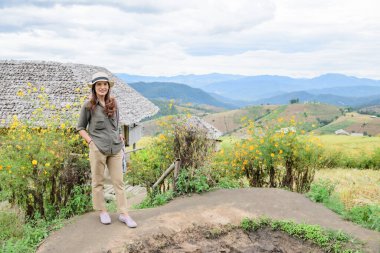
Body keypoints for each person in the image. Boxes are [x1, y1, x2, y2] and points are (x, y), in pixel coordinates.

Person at [76, 71, 137, 228]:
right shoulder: (88, 106)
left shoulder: (113, 103)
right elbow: (80, 127)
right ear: (94, 87)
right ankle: (102, 211)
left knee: (119, 182)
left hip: (115, 148)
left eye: (105, 84)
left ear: (108, 87)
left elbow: (117, 123)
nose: (102, 87)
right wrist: (90, 142)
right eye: (99, 84)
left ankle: (124, 214)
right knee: (98, 181)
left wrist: (120, 135)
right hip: (98, 149)